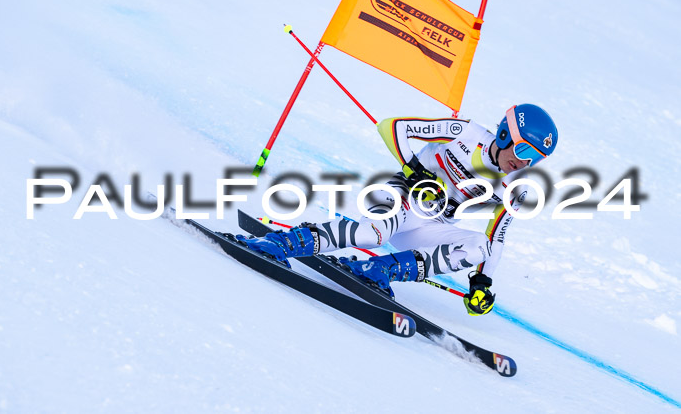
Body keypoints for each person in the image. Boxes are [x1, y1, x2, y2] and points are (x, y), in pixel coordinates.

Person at [239, 104, 558, 316]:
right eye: (523, 149)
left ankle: (379, 271)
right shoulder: (465, 134)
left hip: (429, 225)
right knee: (370, 234)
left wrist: (482, 283)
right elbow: (391, 127)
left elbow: (497, 236)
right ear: (505, 135)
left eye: (535, 158)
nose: (524, 161)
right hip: (401, 197)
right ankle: (280, 243)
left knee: (481, 248)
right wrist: (415, 167)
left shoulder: (517, 185)